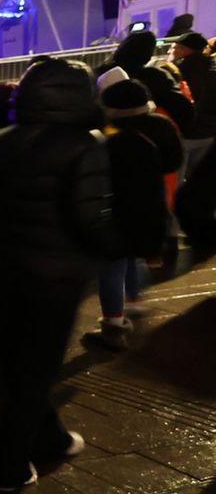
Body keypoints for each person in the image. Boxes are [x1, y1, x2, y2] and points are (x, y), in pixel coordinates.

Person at [0, 59, 120, 490]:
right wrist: (113, 247)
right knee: (38, 367)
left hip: (2, 270)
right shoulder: (85, 144)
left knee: (14, 359)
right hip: (57, 275)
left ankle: (49, 437)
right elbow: (92, 218)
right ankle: (11, 466)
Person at [82, 78, 184, 351]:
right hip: (151, 203)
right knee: (134, 254)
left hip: (116, 209)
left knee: (113, 264)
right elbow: (174, 161)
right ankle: (135, 300)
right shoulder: (161, 125)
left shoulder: (109, 136)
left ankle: (113, 325)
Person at [170, 31, 216, 176]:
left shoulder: (176, 70)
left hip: (183, 134)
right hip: (209, 132)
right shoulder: (212, 68)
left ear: (185, 49)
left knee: (175, 182)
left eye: (174, 47)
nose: (171, 51)